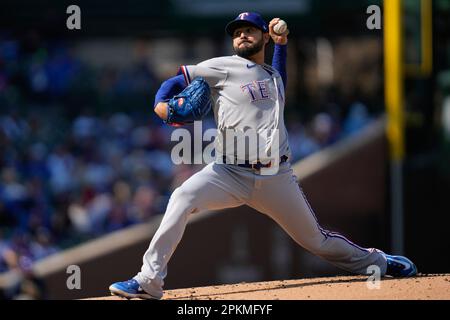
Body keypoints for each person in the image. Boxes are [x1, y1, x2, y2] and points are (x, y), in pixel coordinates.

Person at [109, 12, 417, 300]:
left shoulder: (272, 76)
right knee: (181, 197)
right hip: (228, 172)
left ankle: (380, 261)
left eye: (249, 31)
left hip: (275, 176)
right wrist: (162, 105)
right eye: (238, 33)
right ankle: (149, 281)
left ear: (263, 38)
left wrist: (282, 44)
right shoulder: (222, 66)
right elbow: (174, 81)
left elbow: (278, 78)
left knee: (316, 242)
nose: (242, 36)